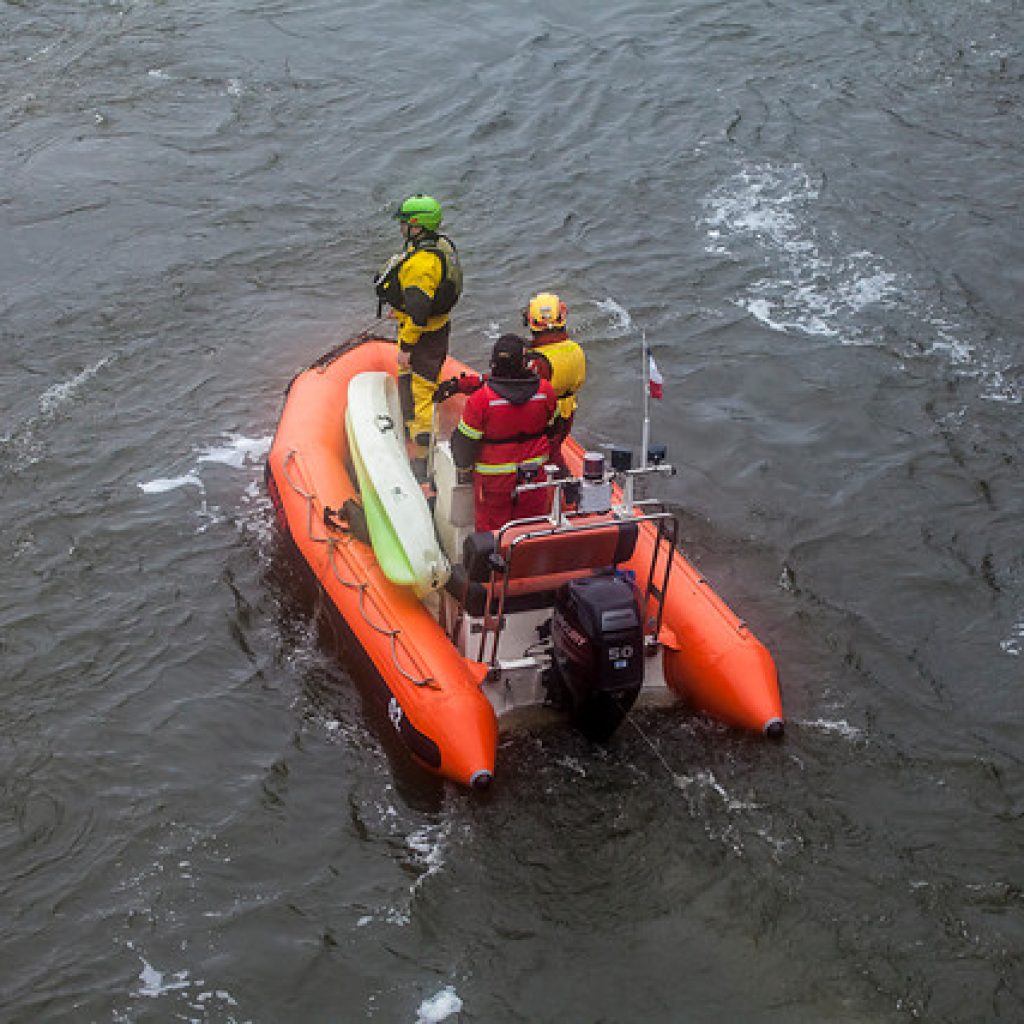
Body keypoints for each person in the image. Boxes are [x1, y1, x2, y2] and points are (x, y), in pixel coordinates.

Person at [374, 194, 463, 457]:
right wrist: (401, 312)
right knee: (411, 385)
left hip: (424, 335)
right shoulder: (439, 245)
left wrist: (408, 346)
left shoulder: (422, 264)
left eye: (404, 223)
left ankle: (422, 453)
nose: (401, 228)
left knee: (421, 389)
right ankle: (412, 427)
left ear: (417, 226)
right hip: (435, 328)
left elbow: (420, 312)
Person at [448, 334, 557, 532]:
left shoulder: (482, 400)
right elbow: (552, 429)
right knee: (531, 529)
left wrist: (464, 470)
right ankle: (528, 561)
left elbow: (463, 444)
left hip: (493, 483)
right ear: (525, 363)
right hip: (532, 477)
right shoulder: (545, 392)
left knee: (493, 533)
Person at [522, 291, 585, 470]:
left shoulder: (537, 361)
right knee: (553, 449)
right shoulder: (576, 349)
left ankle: (565, 483)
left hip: (546, 418)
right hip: (568, 411)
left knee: (548, 455)